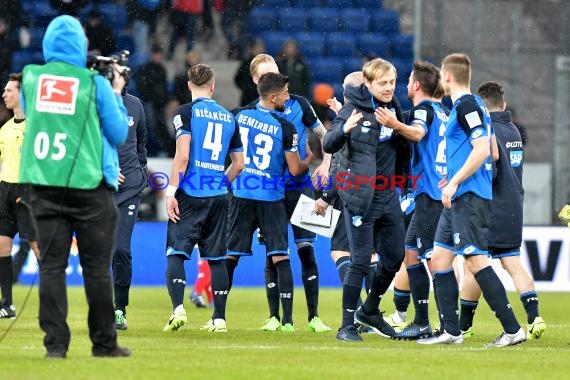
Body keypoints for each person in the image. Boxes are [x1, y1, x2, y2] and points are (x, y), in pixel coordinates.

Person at [19, 15, 130, 358]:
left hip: (43, 184)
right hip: (87, 186)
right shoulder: (93, 82)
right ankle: (104, 343)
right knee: (96, 269)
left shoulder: (31, 78)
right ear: (80, 44)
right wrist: (114, 91)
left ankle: (55, 346)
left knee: (51, 267)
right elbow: (118, 133)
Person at [416, 53, 526, 347]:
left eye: (441, 72)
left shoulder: (466, 105)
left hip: (469, 197)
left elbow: (481, 149)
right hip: (460, 193)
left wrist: (455, 180)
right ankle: (451, 331)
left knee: (475, 259)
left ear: (448, 76)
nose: (440, 77)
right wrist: (454, 173)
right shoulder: (475, 105)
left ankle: (513, 329)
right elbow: (490, 151)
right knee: (439, 259)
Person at [322, 58, 407, 341]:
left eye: (392, 82)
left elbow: (403, 147)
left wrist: (405, 184)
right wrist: (344, 129)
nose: (388, 88)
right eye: (382, 83)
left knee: (394, 257)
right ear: (368, 84)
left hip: (388, 195)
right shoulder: (351, 110)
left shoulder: (394, 109)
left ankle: (369, 310)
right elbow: (329, 143)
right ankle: (346, 326)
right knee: (359, 260)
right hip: (360, 196)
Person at [247, 54, 332, 333]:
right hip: (268, 191)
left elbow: (324, 136)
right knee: (273, 254)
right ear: (256, 81)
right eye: (264, 75)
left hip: (301, 187)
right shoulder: (250, 113)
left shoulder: (300, 104)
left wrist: (327, 164)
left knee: (307, 250)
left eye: (274, 71)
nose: (271, 77)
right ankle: (275, 317)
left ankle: (314, 317)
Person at [226, 72, 313, 333]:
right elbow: (295, 169)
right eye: (285, 92)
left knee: (230, 255)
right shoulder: (284, 126)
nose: (289, 96)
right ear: (273, 96)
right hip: (273, 196)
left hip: (242, 194)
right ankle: (287, 320)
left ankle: (218, 316)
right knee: (280, 255)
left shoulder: (238, 115)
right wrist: (309, 158)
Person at [459, 81, 546, 340]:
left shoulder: (487, 133)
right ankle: (535, 316)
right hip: (513, 206)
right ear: (503, 104)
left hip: (489, 207)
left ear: (482, 106)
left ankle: (464, 325)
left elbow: (490, 172)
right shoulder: (515, 131)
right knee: (512, 263)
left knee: (473, 264)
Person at [163, 63, 243, 333]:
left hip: (190, 193)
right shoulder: (228, 117)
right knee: (217, 258)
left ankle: (177, 310)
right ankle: (219, 318)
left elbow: (183, 156)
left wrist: (171, 192)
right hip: (219, 195)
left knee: (177, 251)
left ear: (188, 85)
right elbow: (239, 164)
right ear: (212, 85)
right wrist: (222, 181)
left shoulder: (184, 112)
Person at [375, 61, 450, 340]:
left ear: (416, 85)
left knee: (434, 261)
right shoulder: (443, 112)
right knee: (411, 252)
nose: (405, 85)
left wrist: (393, 124)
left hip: (430, 194)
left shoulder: (423, 110)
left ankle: (449, 326)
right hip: (432, 192)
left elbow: (417, 133)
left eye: (408, 80)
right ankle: (421, 321)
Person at [0, 72, 40, 318]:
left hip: (27, 191)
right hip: (4, 190)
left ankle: (52, 302)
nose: (4, 94)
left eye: (9, 90)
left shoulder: (36, 127)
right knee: (2, 246)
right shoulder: (4, 129)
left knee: (38, 246)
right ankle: (7, 304)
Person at [112, 90, 148, 331]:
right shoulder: (94, 100)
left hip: (129, 187)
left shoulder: (135, 104)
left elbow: (142, 141)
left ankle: (119, 309)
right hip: (100, 187)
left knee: (121, 249)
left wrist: (141, 172)